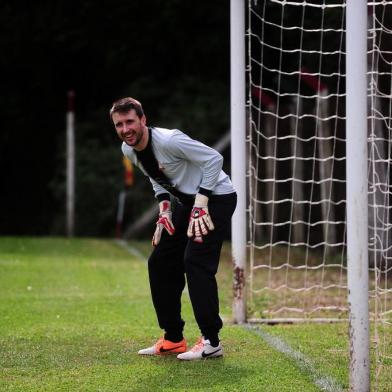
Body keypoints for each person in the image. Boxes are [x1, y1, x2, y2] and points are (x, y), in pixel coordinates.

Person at [110, 97, 237, 360]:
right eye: (119, 124)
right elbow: (155, 176)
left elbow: (214, 159)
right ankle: (173, 338)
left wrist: (202, 200)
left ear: (143, 120)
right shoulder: (128, 149)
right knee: (160, 262)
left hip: (217, 197)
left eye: (130, 121)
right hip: (187, 202)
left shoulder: (169, 140)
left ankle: (211, 341)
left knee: (195, 261)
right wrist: (165, 208)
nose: (126, 129)